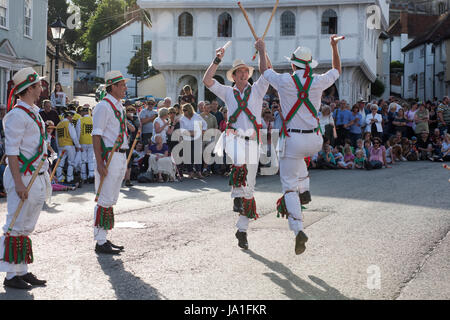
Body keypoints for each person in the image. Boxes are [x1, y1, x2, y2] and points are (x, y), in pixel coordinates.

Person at [257, 35, 342, 255]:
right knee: (299, 162)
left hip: (293, 140)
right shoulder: (318, 81)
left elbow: (265, 72)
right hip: (314, 139)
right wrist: (334, 47)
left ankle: (298, 228)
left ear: (293, 64)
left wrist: (261, 49)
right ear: (309, 65)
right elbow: (337, 70)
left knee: (288, 186)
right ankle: (305, 190)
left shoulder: (285, 81)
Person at [204, 40, 271, 251]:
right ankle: (236, 196)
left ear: (249, 75)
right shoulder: (227, 92)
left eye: (245, 72)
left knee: (249, 189)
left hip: (252, 140)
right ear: (233, 76)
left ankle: (242, 230)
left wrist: (262, 51)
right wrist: (217, 59)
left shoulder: (259, 89)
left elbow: (267, 71)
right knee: (239, 161)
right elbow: (206, 80)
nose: (242, 74)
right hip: (232, 138)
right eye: (238, 72)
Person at [1, 67, 50, 289]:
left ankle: (22, 270)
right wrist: (19, 183)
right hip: (23, 176)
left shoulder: (33, 112)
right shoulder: (16, 116)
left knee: (25, 226)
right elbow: (11, 152)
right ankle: (11, 275)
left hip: (37, 175)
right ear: (29, 88)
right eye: (39, 85)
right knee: (15, 223)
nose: (42, 88)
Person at [92, 71, 130, 254]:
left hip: (120, 155)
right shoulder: (103, 107)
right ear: (112, 87)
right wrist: (99, 163)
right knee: (104, 197)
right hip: (109, 156)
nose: (125, 88)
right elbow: (96, 135)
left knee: (111, 198)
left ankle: (104, 238)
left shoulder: (118, 106)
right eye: (122, 85)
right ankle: (100, 241)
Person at [179, 103, 207, 179]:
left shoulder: (197, 116)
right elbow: (182, 130)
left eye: (185, 110)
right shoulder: (182, 119)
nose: (184, 112)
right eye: (183, 110)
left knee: (197, 156)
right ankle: (190, 172)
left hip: (197, 138)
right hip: (187, 138)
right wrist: (190, 133)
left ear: (189, 110)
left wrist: (201, 131)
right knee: (188, 156)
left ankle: (199, 172)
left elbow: (205, 125)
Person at [55, 110, 81, 183]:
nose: (72, 119)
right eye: (71, 117)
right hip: (69, 145)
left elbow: (57, 138)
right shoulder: (69, 124)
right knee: (71, 162)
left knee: (60, 163)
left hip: (61, 146)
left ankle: (59, 178)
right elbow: (74, 136)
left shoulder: (59, 124)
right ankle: (70, 178)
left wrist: (58, 146)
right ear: (69, 116)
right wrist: (78, 145)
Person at [76, 105, 94, 184]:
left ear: (83, 112)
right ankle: (91, 174)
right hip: (92, 141)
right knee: (91, 159)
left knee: (83, 160)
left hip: (83, 141)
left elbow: (78, 132)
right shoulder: (93, 119)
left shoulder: (80, 120)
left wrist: (77, 143)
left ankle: (84, 176)